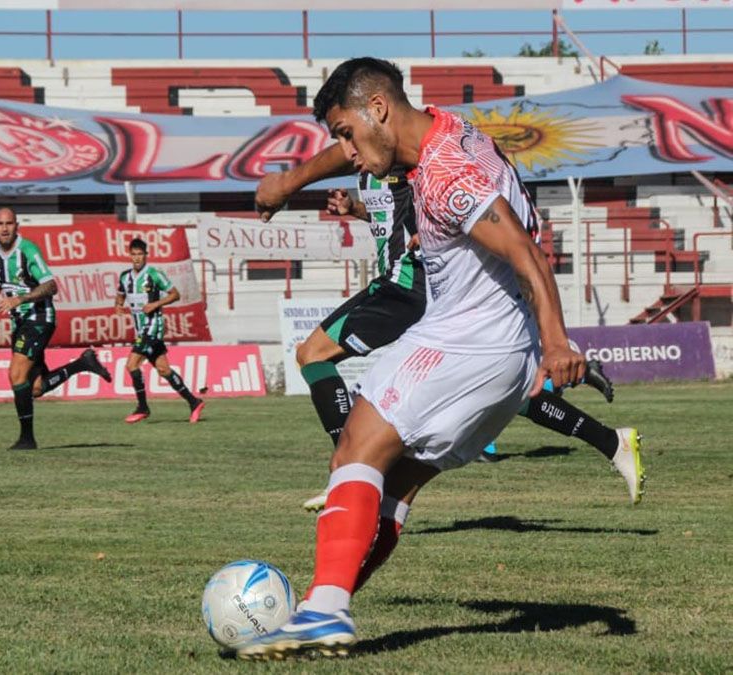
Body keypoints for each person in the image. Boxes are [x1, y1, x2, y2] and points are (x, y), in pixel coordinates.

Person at [237, 57, 588, 659]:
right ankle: (324, 609)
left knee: (354, 446)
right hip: (503, 358)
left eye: (346, 133)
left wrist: (558, 341)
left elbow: (525, 252)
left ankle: (323, 610)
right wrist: (292, 181)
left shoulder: (447, 172)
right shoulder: (441, 134)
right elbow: (365, 151)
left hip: (470, 341)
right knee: (392, 489)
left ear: (378, 110)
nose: (346, 151)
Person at [256, 109, 643, 509]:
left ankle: (353, 473)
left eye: (348, 134)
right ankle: (611, 440)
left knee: (313, 354)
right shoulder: (371, 160)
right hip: (417, 285)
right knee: (509, 391)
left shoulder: (401, 155)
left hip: (410, 283)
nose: (347, 150)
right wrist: (355, 210)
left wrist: (288, 183)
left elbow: (451, 191)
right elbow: (391, 212)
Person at [0, 208, 111, 450]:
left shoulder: (27, 250)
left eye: (9, 223)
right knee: (36, 387)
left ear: (17, 225)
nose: (5, 228)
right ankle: (83, 363)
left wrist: (20, 299)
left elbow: (51, 286)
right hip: (19, 323)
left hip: (39, 318)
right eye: (0, 224)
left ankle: (27, 439)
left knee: (16, 375)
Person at [114, 237, 204, 424]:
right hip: (141, 330)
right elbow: (120, 298)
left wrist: (156, 303)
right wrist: (118, 307)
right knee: (164, 370)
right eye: (134, 254)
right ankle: (194, 402)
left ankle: (142, 407)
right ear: (129, 256)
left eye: (140, 254)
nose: (137, 258)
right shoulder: (125, 277)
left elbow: (175, 294)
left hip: (153, 328)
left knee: (131, 365)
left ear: (146, 255)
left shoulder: (154, 274)